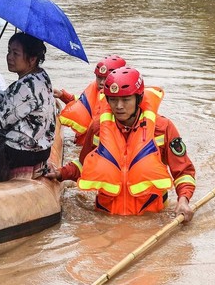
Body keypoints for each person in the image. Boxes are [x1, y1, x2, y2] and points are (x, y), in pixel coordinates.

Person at [43, 68, 197, 220]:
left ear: (139, 98)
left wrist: (183, 200)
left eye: (125, 99)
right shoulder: (97, 128)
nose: (119, 106)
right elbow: (84, 164)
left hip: (150, 217)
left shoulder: (163, 128)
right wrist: (61, 173)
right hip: (105, 217)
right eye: (113, 99)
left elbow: (183, 172)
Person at [0, 32, 56, 177]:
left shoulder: (27, 85)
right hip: (40, 148)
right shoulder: (40, 75)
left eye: (15, 53)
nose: (9, 57)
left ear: (32, 59)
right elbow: (10, 99)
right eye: (9, 51)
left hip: (22, 152)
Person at [57, 54, 126, 145]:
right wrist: (62, 95)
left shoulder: (123, 104)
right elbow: (82, 105)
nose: (101, 82)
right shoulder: (94, 90)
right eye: (99, 77)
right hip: (83, 144)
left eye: (106, 79)